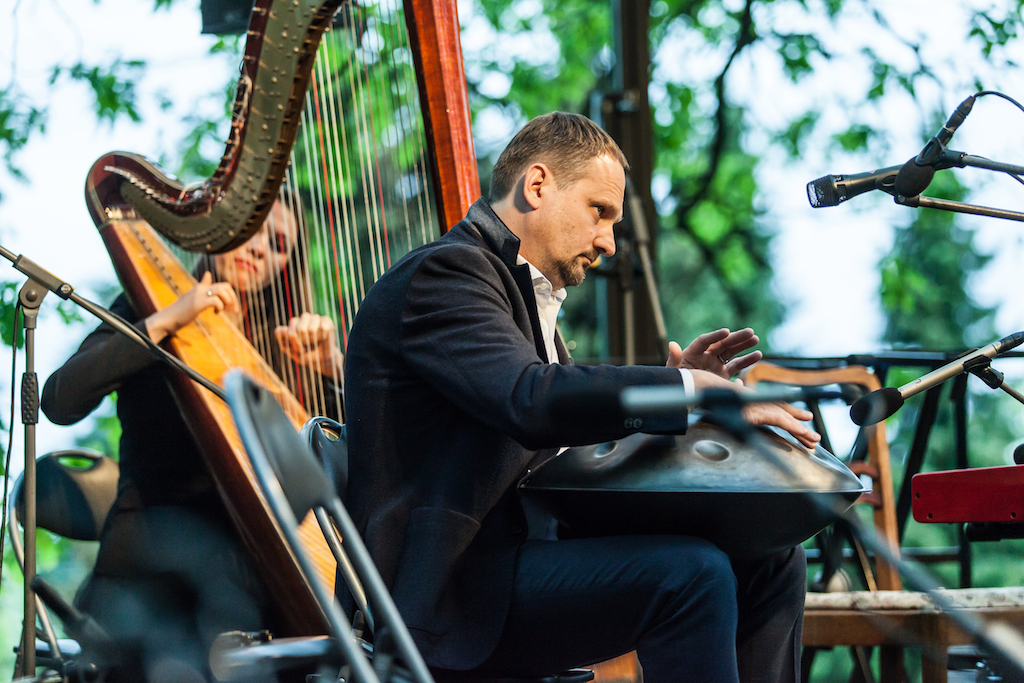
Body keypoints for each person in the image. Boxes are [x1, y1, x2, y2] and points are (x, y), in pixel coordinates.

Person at [343, 112, 821, 683]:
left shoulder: (517, 291)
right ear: (538, 185)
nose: (609, 242)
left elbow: (560, 447)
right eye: (600, 212)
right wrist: (689, 390)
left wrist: (672, 400)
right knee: (694, 574)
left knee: (772, 558)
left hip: (518, 557)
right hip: (450, 593)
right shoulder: (447, 273)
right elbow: (532, 400)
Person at [41, 195, 343, 683]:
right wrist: (166, 321)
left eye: (282, 244)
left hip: (260, 582)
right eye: (256, 230)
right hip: (146, 570)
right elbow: (59, 399)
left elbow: (347, 463)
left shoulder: (286, 344)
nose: (264, 249)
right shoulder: (150, 306)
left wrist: (334, 370)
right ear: (221, 231)